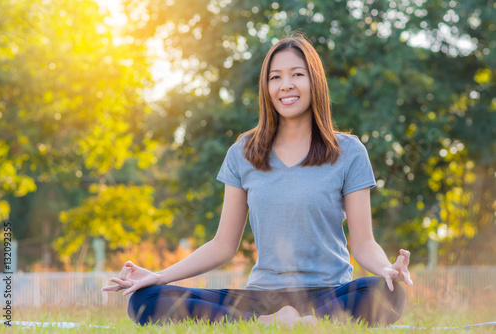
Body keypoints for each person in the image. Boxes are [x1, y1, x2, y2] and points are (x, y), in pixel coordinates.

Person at [102, 33, 413, 328]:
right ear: (266, 87)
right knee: (146, 300)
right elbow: (223, 244)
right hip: (261, 297)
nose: (285, 85)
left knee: (389, 294)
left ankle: (300, 321)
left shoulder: (348, 151)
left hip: (328, 292)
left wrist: (386, 269)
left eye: (297, 75)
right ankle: (274, 322)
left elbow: (362, 243)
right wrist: (159, 276)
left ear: (315, 81)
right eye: (275, 77)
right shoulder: (243, 153)